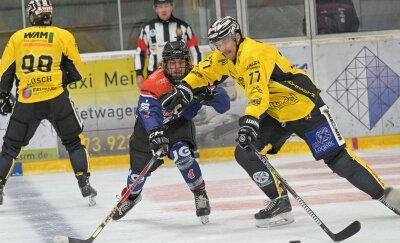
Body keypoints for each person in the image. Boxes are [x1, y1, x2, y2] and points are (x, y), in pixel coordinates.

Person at [160, 16, 400, 228]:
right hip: (277, 114)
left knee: (340, 161)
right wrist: (184, 87)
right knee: (245, 152)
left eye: (225, 41)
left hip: (305, 109)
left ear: (236, 36)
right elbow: (204, 71)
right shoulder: (223, 57)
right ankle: (280, 201)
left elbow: (258, 95)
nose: (222, 48)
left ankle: (391, 198)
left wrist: (250, 120)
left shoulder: (254, 54)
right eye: (217, 44)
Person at [112, 41, 230, 224]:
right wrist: (155, 133)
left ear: (187, 62)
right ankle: (131, 197)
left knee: (183, 155)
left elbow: (224, 105)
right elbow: (146, 111)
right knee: (138, 175)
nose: (176, 68)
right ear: (164, 64)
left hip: (178, 124)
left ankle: (200, 192)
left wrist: (209, 94)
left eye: (180, 62)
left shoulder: (198, 75)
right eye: (172, 63)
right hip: (148, 128)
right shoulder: (154, 81)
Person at [0, 0, 97, 206]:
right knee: (74, 143)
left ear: (32, 15)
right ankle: (84, 184)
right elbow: (77, 73)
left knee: (10, 148)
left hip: (27, 100)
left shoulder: (17, 37)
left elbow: (5, 71)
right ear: (49, 15)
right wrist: (56, 79)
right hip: (56, 99)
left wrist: (2, 96)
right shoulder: (63, 35)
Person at [134, 0, 202, 88]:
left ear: (172, 7)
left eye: (166, 6)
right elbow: (140, 52)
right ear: (155, 9)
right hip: (153, 76)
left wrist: (195, 73)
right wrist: (139, 73)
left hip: (181, 77)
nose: (163, 10)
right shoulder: (147, 28)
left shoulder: (184, 27)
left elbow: (197, 52)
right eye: (160, 7)